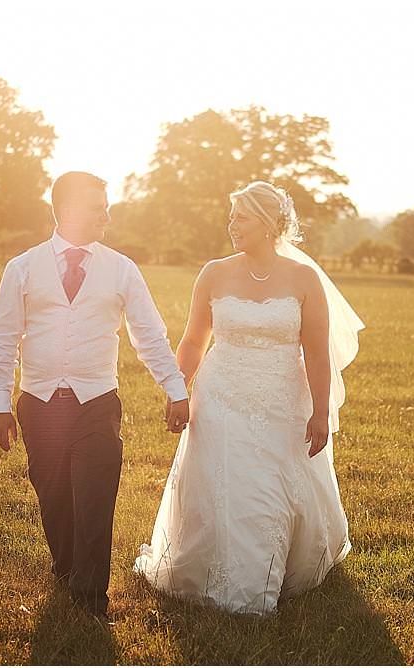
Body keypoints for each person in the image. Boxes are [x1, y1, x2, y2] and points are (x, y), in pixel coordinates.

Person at [134, 180, 365, 614]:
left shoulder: (304, 279)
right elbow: (192, 341)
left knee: (271, 491)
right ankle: (228, 579)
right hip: (220, 395)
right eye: (232, 216)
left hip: (282, 400)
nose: (231, 224)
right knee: (225, 486)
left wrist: (319, 412)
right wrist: (176, 389)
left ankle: (269, 576)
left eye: (240, 217)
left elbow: (316, 353)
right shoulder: (214, 273)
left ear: (266, 223)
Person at [0, 171, 190, 620]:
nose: (107, 216)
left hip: (97, 402)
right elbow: (3, 339)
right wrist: (0, 402)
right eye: (99, 207)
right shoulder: (22, 267)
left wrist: (175, 389)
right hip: (39, 404)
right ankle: (67, 570)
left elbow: (150, 336)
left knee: (97, 497)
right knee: (54, 495)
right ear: (68, 209)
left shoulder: (121, 269)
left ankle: (92, 598)